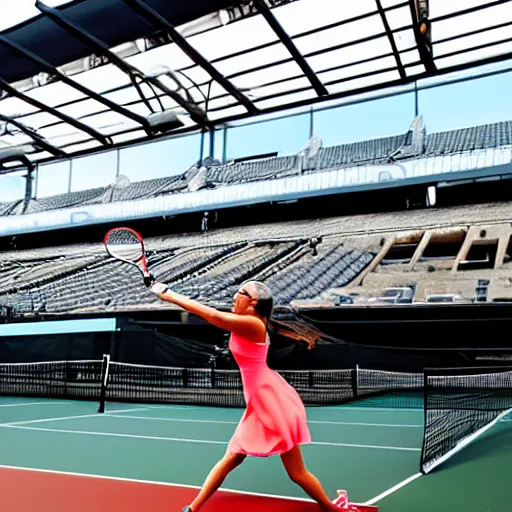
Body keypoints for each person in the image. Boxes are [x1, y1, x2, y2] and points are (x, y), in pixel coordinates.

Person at [150, 280, 341, 512]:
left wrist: (169, 295)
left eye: (241, 293)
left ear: (253, 303)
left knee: (297, 473)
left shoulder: (253, 324)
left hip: (271, 402)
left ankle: (332, 510)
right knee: (232, 457)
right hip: (260, 401)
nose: (234, 296)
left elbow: (214, 316)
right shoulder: (254, 323)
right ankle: (192, 508)